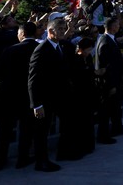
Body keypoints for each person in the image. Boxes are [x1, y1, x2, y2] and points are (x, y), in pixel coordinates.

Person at [0, 21, 38, 171]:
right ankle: (23, 158)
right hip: (29, 96)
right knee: (26, 129)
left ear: (22, 33)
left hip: (8, 95)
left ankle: (0, 160)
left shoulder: (10, 50)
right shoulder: (39, 49)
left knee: (4, 130)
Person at [28, 18, 71, 172]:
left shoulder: (60, 47)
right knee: (42, 132)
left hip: (58, 98)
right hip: (44, 100)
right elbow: (33, 79)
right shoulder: (42, 49)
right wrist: (37, 104)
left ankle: (63, 152)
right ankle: (41, 161)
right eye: (60, 29)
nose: (62, 31)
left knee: (66, 122)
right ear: (51, 31)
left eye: (63, 28)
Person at [96, 16, 123, 144]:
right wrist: (110, 85)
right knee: (106, 109)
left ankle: (117, 128)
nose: (118, 26)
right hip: (109, 82)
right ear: (111, 27)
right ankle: (103, 135)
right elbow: (105, 65)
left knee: (115, 106)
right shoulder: (105, 42)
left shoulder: (109, 39)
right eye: (117, 25)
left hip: (115, 79)